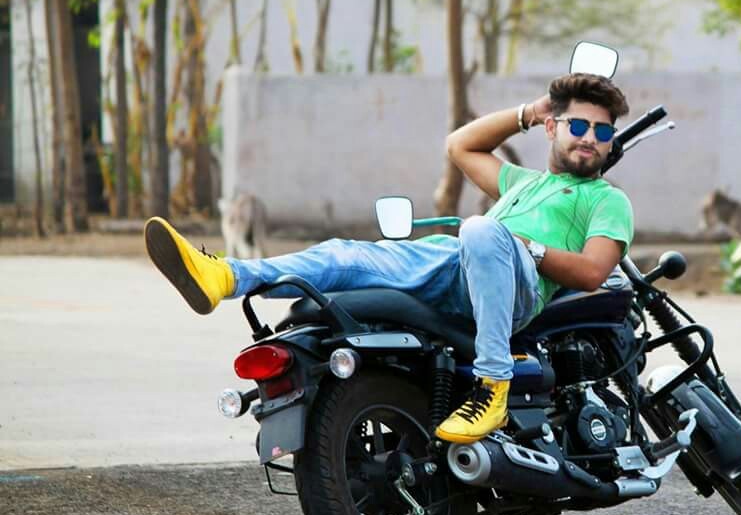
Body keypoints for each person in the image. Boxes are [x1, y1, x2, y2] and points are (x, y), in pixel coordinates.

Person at [144, 73, 634, 444]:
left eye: (602, 131)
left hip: (515, 284)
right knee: (344, 254)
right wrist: (529, 109)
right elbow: (460, 145)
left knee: (481, 229)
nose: (589, 137)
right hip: (455, 263)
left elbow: (594, 271)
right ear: (551, 127)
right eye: (577, 125)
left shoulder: (606, 199)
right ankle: (225, 276)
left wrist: (527, 247)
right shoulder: (522, 183)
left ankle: (493, 385)